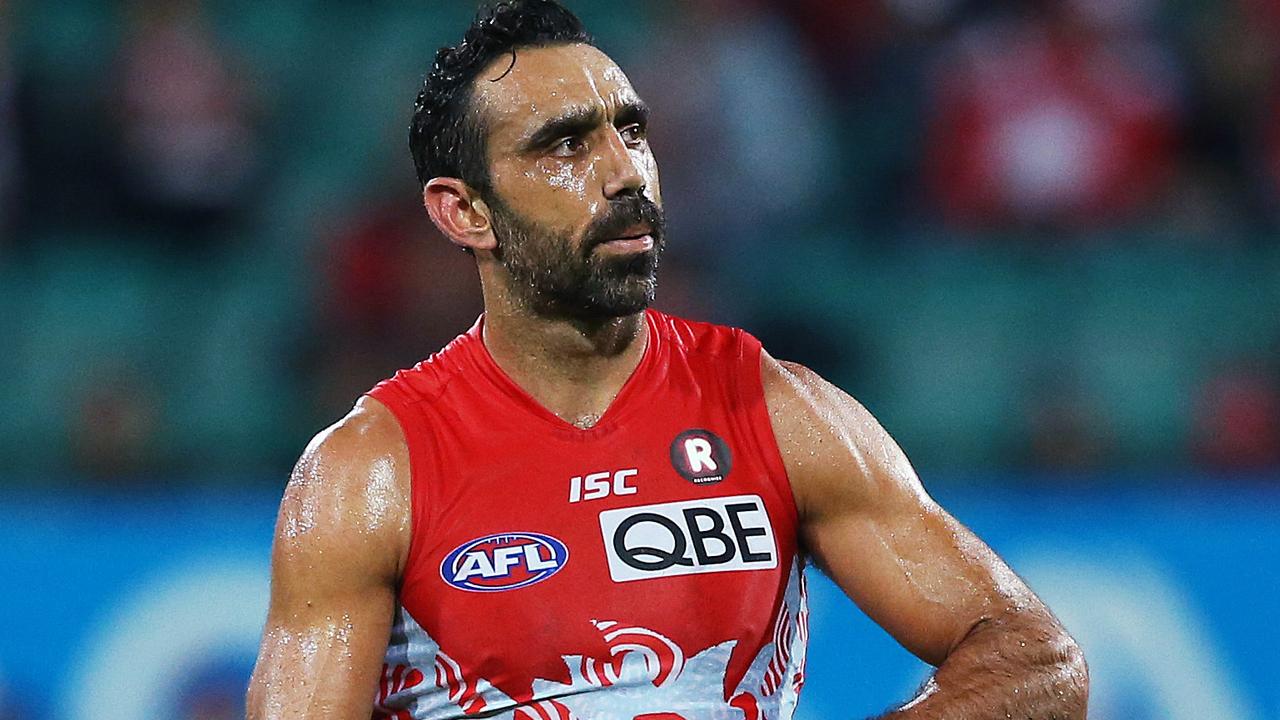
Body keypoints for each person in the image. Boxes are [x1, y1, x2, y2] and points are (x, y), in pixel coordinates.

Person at [246, 2, 1088, 718]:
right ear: (464, 212)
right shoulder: (370, 472)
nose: (624, 172)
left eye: (632, 130)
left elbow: (1038, 661)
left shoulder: (775, 410)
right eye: (567, 146)